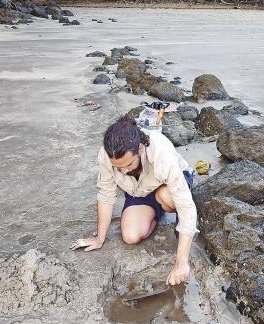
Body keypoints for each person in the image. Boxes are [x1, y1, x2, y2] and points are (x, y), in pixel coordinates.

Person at [70, 117, 198, 285]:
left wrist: (181, 261)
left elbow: (186, 205)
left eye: (129, 164)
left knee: (166, 197)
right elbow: (106, 195)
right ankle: (154, 215)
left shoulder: (161, 153)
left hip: (167, 187)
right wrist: (99, 238)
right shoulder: (107, 155)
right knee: (130, 237)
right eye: (118, 168)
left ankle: (172, 219)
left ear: (140, 148)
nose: (123, 171)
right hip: (139, 192)